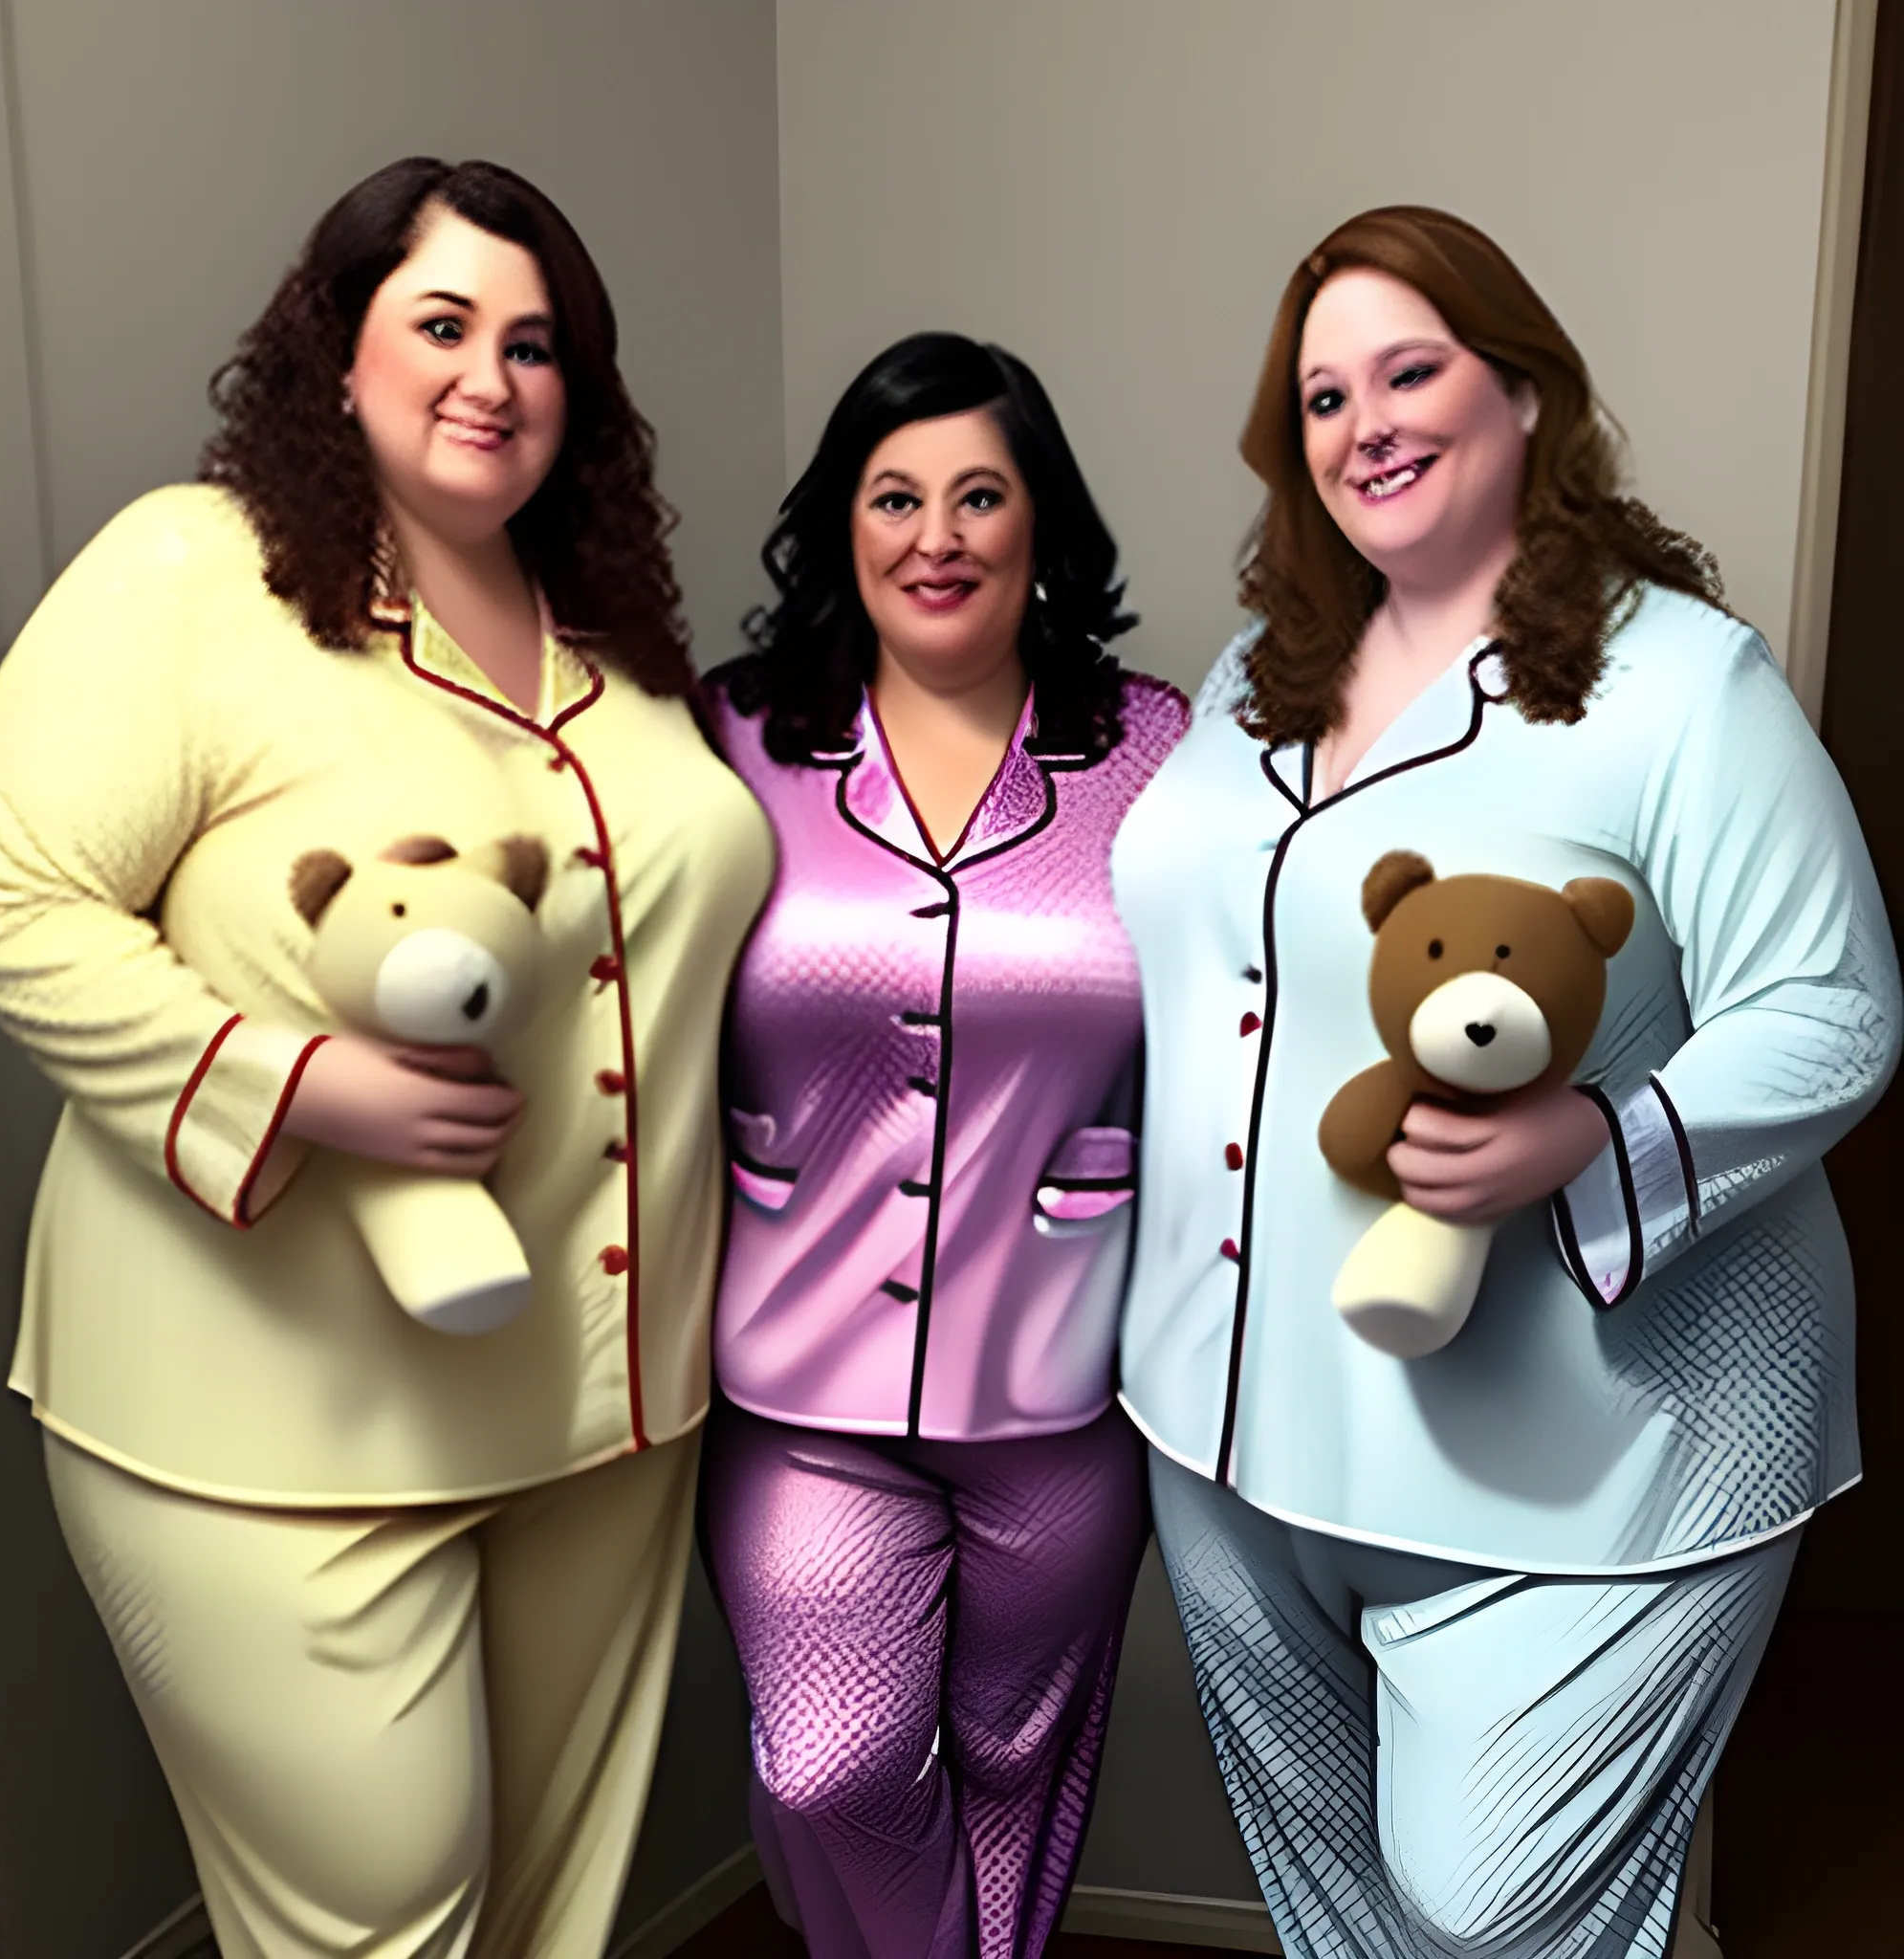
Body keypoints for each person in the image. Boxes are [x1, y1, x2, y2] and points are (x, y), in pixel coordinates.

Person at [0, 157, 772, 1958]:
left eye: (538, 344)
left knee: (552, 1920)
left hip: (601, 1401)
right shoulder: (197, 571)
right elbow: (2, 895)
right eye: (445, 324)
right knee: (376, 1917)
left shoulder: (616, 656)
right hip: (264, 1407)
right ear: (336, 354)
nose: (494, 375)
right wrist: (298, 1082)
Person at [1111, 206, 1901, 1959]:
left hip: (1604, 1437)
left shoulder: (1684, 684)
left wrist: (1591, 1138)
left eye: (1412, 371)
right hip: (1234, 1411)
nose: (1365, 424)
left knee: (1489, 1915)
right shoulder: (1260, 679)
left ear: (1527, 394)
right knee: (1332, 1903)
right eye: (1323, 398)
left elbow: (1835, 1007)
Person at [697, 331, 1187, 1959]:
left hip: (1062, 1382)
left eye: (982, 495)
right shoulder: (739, 740)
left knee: (1017, 1762)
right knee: (832, 1769)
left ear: (1043, 525)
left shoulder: (1152, 754)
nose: (939, 535)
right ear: (842, 523)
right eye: (895, 495)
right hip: (798, 1370)